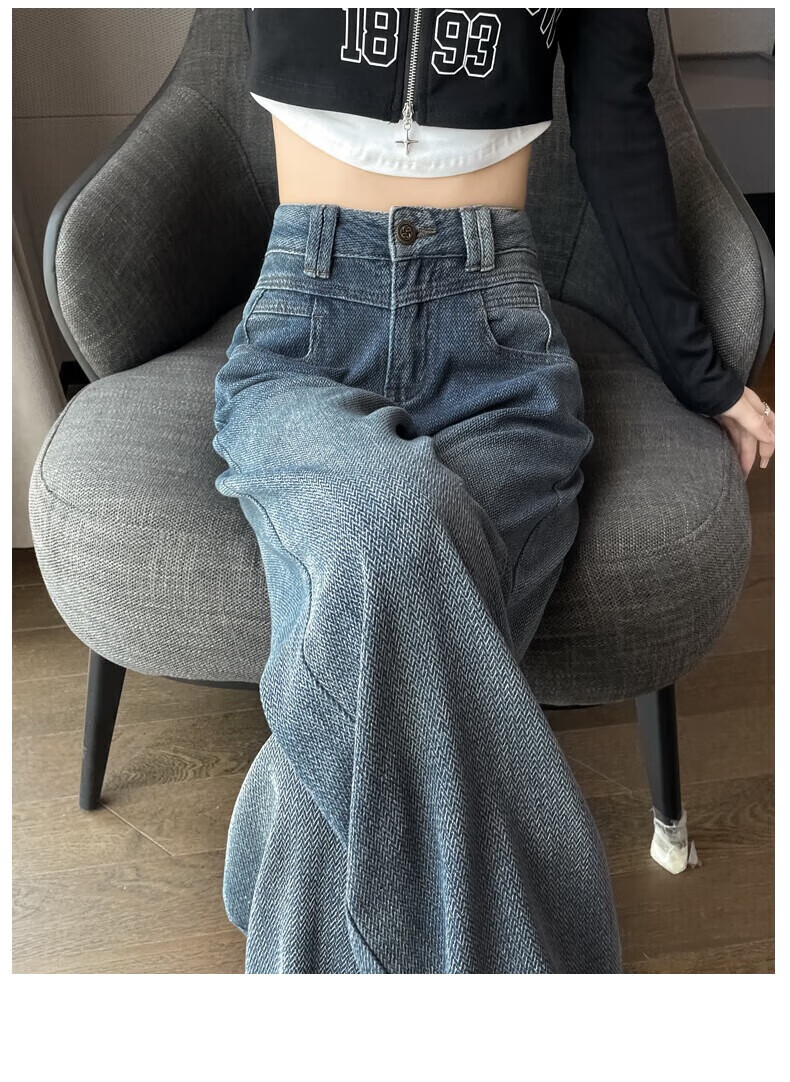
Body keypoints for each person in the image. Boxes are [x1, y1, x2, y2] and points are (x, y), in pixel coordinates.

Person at [211, 8, 775, 974]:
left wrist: (704, 374)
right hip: (304, 339)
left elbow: (619, 128)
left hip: (499, 355)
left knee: (340, 737)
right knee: (396, 520)